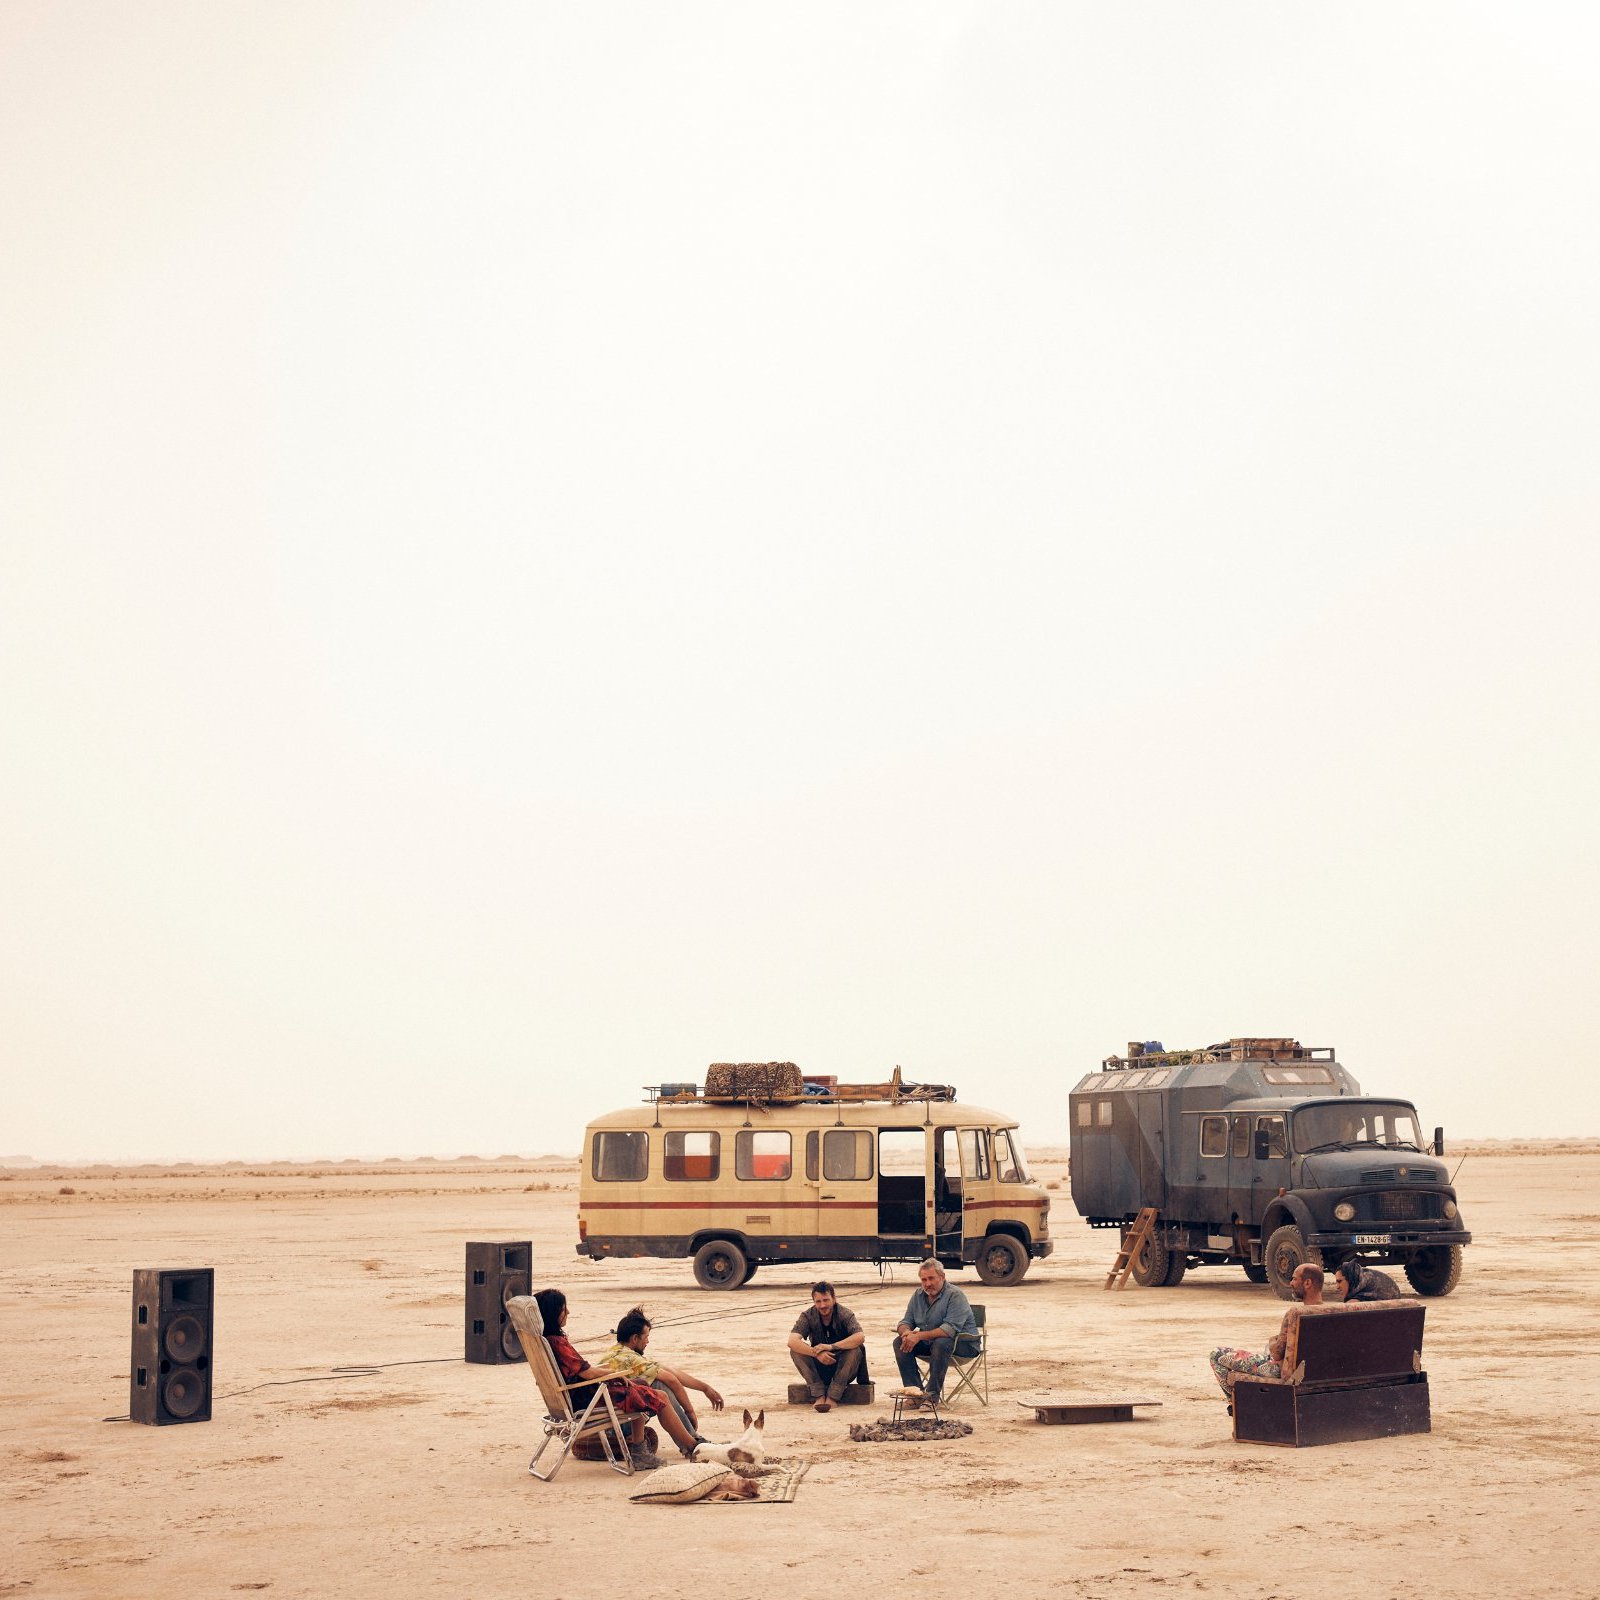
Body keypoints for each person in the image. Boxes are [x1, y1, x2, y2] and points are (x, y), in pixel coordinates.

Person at [532, 1288, 706, 1460]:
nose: (568, 1312)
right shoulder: (558, 1343)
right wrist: (615, 1375)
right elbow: (588, 1373)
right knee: (659, 1396)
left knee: (642, 1386)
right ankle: (692, 1447)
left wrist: (613, 1373)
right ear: (553, 1313)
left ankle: (641, 1450)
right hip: (588, 1399)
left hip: (578, 1395)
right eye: (564, 1309)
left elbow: (584, 1370)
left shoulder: (546, 1341)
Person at [595, 1305, 725, 1436]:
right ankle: (693, 1440)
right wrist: (689, 1411)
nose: (648, 1341)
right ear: (635, 1339)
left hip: (601, 1421)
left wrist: (705, 1388)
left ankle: (691, 1439)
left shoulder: (617, 1353)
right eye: (646, 1337)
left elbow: (668, 1370)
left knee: (655, 1383)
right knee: (661, 1386)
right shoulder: (632, 1360)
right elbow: (671, 1379)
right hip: (612, 1427)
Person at [1209, 1262, 1324, 1403]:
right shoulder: (1334, 1314)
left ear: (1307, 1283)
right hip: (1315, 1373)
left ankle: (1235, 1404)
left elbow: (1276, 1353)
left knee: (1217, 1354)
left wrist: (1272, 1341)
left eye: (1294, 1279)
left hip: (1283, 1371)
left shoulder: (1295, 1315)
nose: (1290, 1283)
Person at [891, 1259, 979, 1406]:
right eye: (923, 1279)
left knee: (941, 1342)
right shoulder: (918, 1295)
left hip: (964, 1345)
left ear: (942, 1277)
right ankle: (915, 1394)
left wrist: (918, 1335)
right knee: (900, 1342)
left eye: (931, 1278)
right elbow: (905, 1321)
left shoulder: (955, 1295)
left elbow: (948, 1330)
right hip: (933, 1344)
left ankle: (931, 1397)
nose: (927, 1284)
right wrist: (906, 1333)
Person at [787, 1281, 867, 1411]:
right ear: (813, 1301)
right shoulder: (807, 1315)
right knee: (796, 1351)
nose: (822, 1305)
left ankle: (833, 1397)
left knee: (855, 1350)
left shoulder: (845, 1313)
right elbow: (792, 1341)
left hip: (843, 1368)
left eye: (826, 1300)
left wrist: (831, 1347)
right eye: (818, 1301)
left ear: (834, 1299)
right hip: (819, 1366)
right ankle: (819, 1395)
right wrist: (816, 1353)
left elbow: (860, 1337)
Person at [1336, 1257, 1402, 1302]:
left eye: (1340, 1281)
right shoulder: (1363, 1277)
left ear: (1350, 1279)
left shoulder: (1370, 1286)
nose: (1337, 1287)